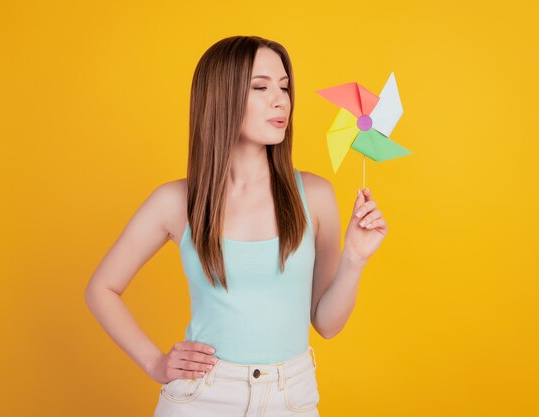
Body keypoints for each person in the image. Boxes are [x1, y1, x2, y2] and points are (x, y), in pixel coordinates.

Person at [84, 35, 388, 417]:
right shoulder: (174, 201)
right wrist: (154, 363)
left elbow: (326, 324)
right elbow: (102, 288)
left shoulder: (316, 194)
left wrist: (355, 259)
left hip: (290, 396)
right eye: (260, 87)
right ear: (220, 97)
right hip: (203, 397)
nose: (281, 100)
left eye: (284, 86)